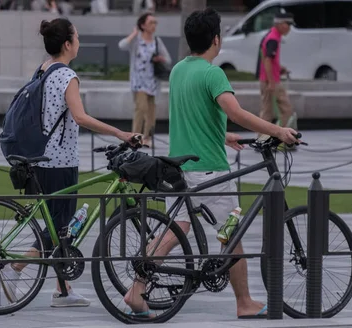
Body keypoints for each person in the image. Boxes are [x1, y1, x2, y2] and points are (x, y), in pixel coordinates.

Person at [122, 8, 299, 319]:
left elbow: (195, 114)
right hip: (210, 170)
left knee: (174, 230)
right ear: (216, 39)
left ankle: (137, 289)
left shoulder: (179, 70)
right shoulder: (213, 73)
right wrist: (278, 130)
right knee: (233, 233)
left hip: (179, 167)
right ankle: (244, 302)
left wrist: (223, 134)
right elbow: (235, 111)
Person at [0, 18, 139, 308]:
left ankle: (63, 289)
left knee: (60, 227)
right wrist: (120, 132)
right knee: (59, 229)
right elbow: (80, 116)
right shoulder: (67, 76)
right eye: (77, 37)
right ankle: (15, 268)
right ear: (67, 44)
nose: (80, 42)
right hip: (59, 162)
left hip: (41, 157)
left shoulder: (44, 68)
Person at [118, 13, 171, 148]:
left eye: (155, 22)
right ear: (143, 25)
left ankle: (147, 138)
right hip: (139, 83)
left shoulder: (157, 41)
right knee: (140, 109)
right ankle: (135, 138)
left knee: (151, 112)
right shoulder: (136, 41)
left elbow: (168, 59)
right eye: (151, 22)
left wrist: (160, 59)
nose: (154, 25)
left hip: (153, 82)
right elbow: (122, 46)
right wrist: (134, 33)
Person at [255, 12, 296, 137]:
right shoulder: (273, 38)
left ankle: (262, 139)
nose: (290, 28)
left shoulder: (272, 35)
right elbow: (267, 60)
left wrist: (279, 69)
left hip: (268, 79)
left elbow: (268, 59)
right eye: (288, 24)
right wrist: (272, 82)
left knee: (268, 112)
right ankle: (282, 138)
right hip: (270, 81)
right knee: (285, 110)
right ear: (281, 24)